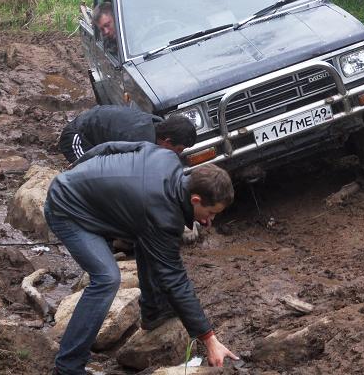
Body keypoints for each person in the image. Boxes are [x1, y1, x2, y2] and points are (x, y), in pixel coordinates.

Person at [45, 144, 238, 374]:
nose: (209, 221)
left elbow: (110, 147)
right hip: (66, 209)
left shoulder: (167, 157)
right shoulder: (162, 214)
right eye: (211, 213)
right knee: (107, 278)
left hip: (81, 192)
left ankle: (154, 312)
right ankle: (68, 365)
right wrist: (209, 338)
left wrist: (79, 169)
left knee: (148, 241)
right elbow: (174, 279)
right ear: (195, 199)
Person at [57, 103, 196, 164]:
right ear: (167, 141)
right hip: (78, 137)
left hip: (100, 127)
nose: (178, 154)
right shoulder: (135, 141)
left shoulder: (157, 125)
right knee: (91, 173)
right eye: (178, 149)